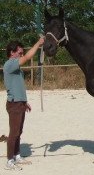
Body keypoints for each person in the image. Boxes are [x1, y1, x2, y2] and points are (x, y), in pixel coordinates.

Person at [3, 37, 44, 170]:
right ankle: (9, 161)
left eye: (21, 53)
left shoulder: (17, 68)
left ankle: (17, 155)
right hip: (14, 104)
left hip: (20, 103)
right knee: (13, 133)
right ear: (12, 53)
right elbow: (27, 57)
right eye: (19, 53)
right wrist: (38, 43)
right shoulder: (9, 64)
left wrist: (25, 102)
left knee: (18, 132)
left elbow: (17, 86)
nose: (21, 55)